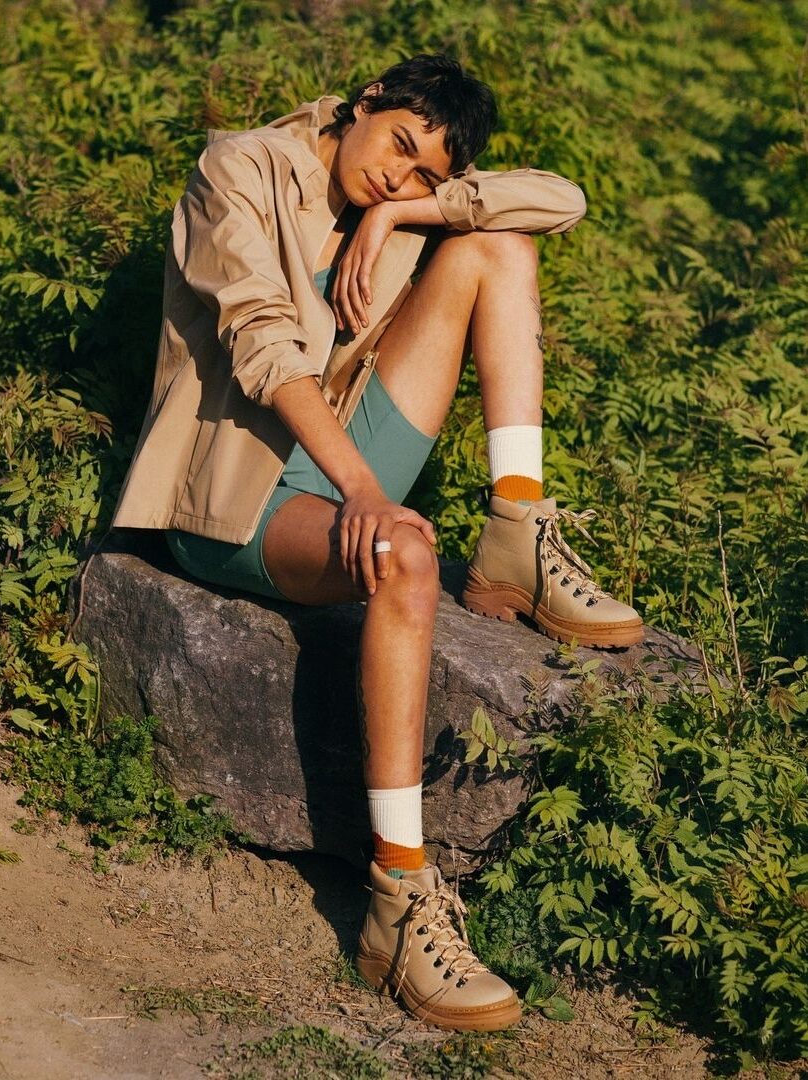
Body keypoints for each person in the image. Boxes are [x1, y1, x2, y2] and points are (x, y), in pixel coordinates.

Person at [112, 54, 642, 1031]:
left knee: (500, 251)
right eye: (395, 147)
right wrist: (364, 494)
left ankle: (519, 529)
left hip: (352, 444)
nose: (393, 176)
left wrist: (410, 217)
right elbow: (263, 343)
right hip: (239, 498)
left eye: (420, 173)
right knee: (401, 555)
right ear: (362, 105)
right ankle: (399, 902)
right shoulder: (239, 167)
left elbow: (557, 200)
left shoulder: (396, 203)